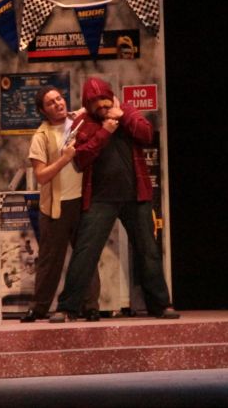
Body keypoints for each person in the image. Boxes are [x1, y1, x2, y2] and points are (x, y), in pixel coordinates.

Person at [49, 77, 178, 322]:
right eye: (95, 102)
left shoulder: (126, 110)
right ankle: (67, 308)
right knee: (85, 252)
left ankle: (161, 305)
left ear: (111, 96)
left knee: (148, 251)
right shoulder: (83, 123)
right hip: (100, 199)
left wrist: (123, 117)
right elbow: (80, 159)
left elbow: (147, 134)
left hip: (135, 196)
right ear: (87, 103)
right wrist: (105, 131)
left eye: (104, 99)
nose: (101, 105)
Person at [21, 85, 101, 322]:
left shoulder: (79, 121)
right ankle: (39, 308)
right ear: (42, 110)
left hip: (82, 202)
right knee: (50, 260)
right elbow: (41, 176)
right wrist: (64, 159)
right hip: (56, 206)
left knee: (86, 256)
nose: (58, 104)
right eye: (51, 102)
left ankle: (90, 306)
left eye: (59, 98)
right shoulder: (41, 136)